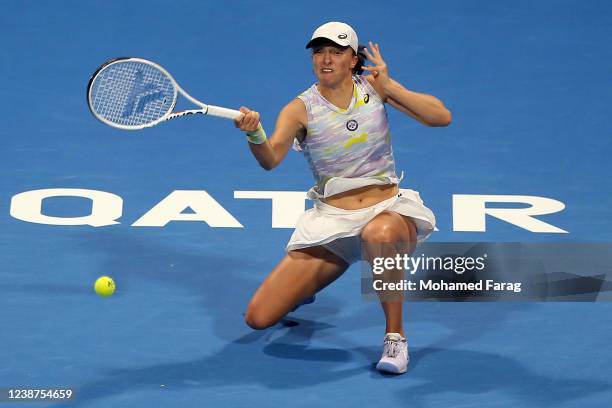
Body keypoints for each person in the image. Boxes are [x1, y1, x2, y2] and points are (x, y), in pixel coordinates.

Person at [235, 21, 451, 374]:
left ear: (353, 60)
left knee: (378, 235)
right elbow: (271, 160)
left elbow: (440, 117)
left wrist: (391, 86)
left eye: (336, 52)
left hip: (388, 215)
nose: (326, 59)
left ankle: (395, 338)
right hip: (332, 226)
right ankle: (306, 288)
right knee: (258, 318)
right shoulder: (300, 108)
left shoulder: (375, 89)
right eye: (319, 52)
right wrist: (255, 133)